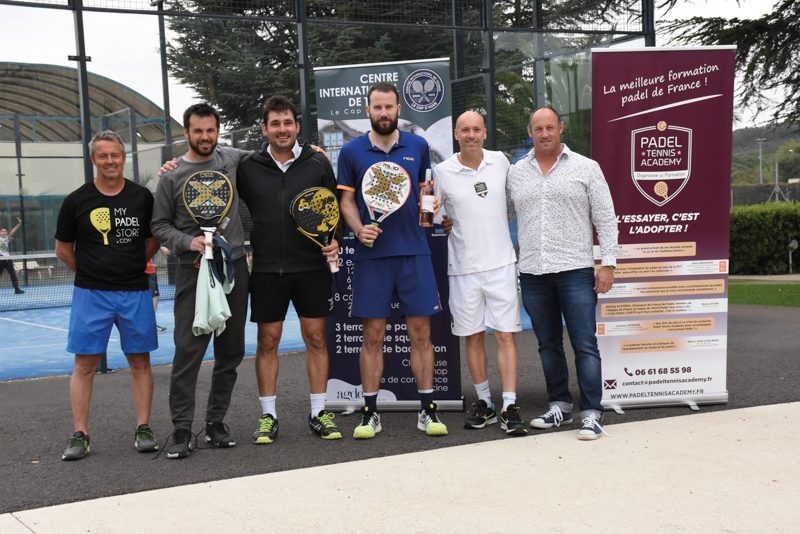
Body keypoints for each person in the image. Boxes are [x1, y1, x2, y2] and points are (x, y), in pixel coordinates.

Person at [337, 81, 447, 439]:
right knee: (373, 335)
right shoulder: (351, 152)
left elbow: (425, 190)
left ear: (399, 110)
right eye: (377, 107)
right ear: (367, 111)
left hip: (415, 253)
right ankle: (370, 413)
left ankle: (427, 410)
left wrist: (429, 207)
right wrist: (357, 229)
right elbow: (347, 201)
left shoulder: (417, 146)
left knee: (421, 334)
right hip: (373, 258)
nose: (383, 113)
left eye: (389, 107)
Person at [506, 106, 618, 441]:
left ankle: (591, 413)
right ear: (530, 131)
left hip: (576, 270)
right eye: (538, 129)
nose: (544, 134)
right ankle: (559, 407)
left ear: (561, 129)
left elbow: (606, 218)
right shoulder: (516, 173)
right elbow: (499, 214)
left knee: (584, 344)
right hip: (534, 272)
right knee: (547, 344)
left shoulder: (587, 168)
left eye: (550, 128)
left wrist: (608, 263)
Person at [237, 95, 343, 443]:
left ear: (297, 127)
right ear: (265, 128)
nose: (282, 130)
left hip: (311, 267)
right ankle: (268, 416)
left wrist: (336, 238)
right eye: (275, 124)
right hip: (267, 270)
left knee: (316, 338)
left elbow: (335, 208)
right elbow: (212, 172)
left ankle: (318, 412)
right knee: (268, 342)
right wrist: (172, 165)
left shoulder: (317, 163)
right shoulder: (248, 165)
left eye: (288, 123)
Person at [151, 103, 250, 459]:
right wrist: (186, 241)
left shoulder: (234, 158)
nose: (205, 137)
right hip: (193, 272)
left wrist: (309, 151)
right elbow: (159, 225)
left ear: (218, 130)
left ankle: (215, 424)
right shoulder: (171, 175)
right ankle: (181, 429)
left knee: (231, 352)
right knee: (188, 352)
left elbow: (275, 153)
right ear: (186, 133)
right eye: (198, 131)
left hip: (234, 268)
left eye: (211, 130)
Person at [55, 130, 160, 461]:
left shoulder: (142, 197)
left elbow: (154, 239)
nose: (110, 161)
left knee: (139, 361)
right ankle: (80, 434)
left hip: (134, 293)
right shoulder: (76, 200)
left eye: (115, 155)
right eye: (103, 156)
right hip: (91, 294)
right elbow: (62, 249)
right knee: (84, 365)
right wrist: (90, 273)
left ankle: (143, 428)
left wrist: (135, 263)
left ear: (123, 157)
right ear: (93, 160)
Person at [435, 111, 526, 436]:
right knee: (472, 337)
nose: (471, 135)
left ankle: (510, 404)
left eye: (476, 129)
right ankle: (485, 402)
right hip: (462, 271)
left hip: (501, 266)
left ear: (484, 133)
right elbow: (435, 216)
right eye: (465, 130)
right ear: (456, 135)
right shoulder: (441, 172)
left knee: (504, 335)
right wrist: (440, 222)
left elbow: (515, 201)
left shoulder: (501, 161)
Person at [146, 250, 168, 333]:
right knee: (154, 296)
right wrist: (162, 249)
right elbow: (153, 238)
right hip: (147, 269)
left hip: (146, 269)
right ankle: (151, 324)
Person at [0, 217, 25, 294]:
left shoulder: (7, 238)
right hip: (0, 259)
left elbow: (13, 231)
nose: (4, 232)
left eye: (5, 231)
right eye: (2, 231)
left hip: (8, 259)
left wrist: (19, 224)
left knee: (13, 274)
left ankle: (16, 289)